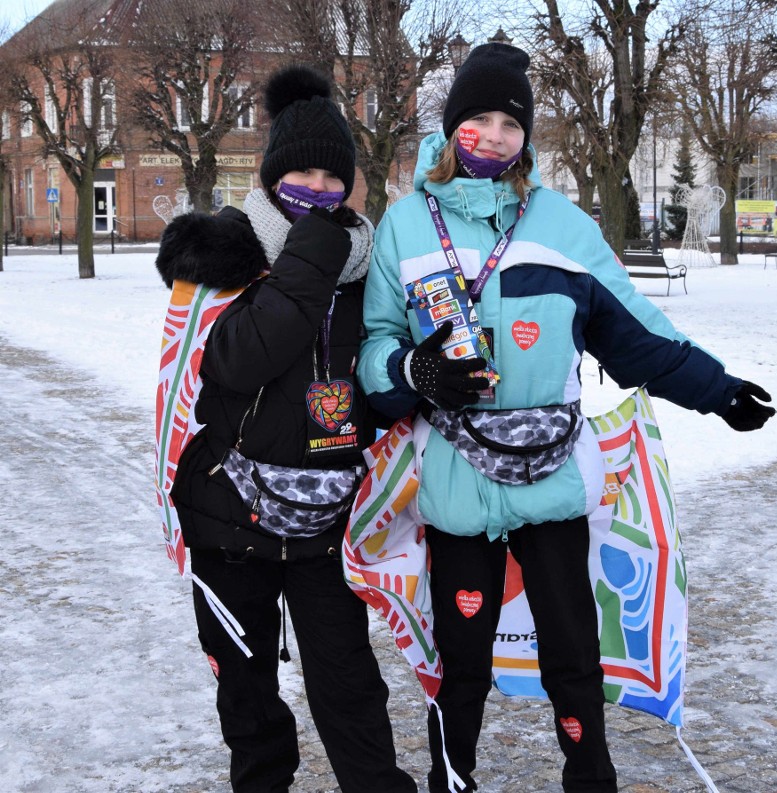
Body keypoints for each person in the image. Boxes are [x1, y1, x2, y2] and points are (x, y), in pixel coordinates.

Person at [356, 43, 776, 793]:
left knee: (573, 653)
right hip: (455, 477)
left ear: (528, 136)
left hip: (551, 474)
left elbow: (636, 333)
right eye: (477, 119)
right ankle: (455, 781)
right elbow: (375, 345)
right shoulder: (406, 225)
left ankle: (590, 778)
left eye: (510, 122)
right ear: (451, 128)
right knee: (463, 660)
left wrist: (717, 388)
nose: (494, 134)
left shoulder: (563, 226)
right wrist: (414, 370)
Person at [155, 65, 416, 793]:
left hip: (330, 521)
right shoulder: (221, 251)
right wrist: (314, 251)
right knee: (248, 695)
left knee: (350, 686)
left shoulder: (371, 268)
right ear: (271, 175)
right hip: (228, 517)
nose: (320, 189)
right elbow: (242, 358)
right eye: (302, 170)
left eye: (335, 176)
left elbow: (380, 386)